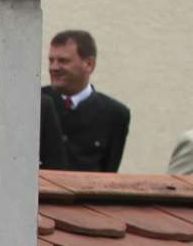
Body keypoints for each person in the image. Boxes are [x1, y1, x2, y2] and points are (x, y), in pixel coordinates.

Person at [38, 29, 131, 172]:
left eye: (63, 61)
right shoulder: (35, 103)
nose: (53, 67)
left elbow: (108, 173)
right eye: (51, 60)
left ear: (89, 64)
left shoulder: (115, 114)